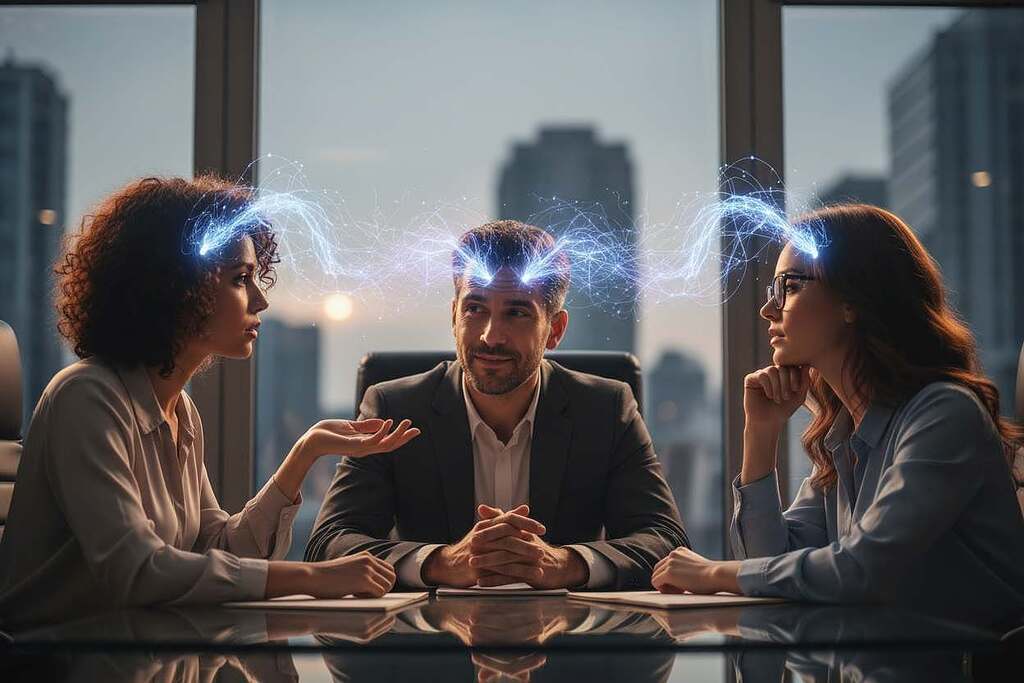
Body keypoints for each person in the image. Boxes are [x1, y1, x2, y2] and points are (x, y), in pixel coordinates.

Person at [0, 176, 419, 625]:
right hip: (54, 660)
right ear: (176, 287)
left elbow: (218, 548)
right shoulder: (85, 398)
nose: (259, 299)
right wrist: (311, 577)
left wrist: (305, 453)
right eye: (240, 279)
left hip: (141, 653)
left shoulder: (179, 409)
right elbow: (137, 572)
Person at [651, 204, 1024, 623]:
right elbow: (772, 561)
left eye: (788, 287)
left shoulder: (945, 414)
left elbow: (861, 569)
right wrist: (761, 432)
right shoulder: (843, 435)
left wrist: (714, 572)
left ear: (852, 301)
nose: (767, 311)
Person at [306, 220, 688, 590]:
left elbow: (667, 542)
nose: (491, 336)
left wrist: (565, 564)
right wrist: (441, 562)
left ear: (554, 329)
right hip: (430, 644)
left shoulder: (606, 409)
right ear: (453, 316)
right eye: (475, 309)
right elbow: (329, 546)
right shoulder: (395, 406)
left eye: (517, 312)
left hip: (567, 644)